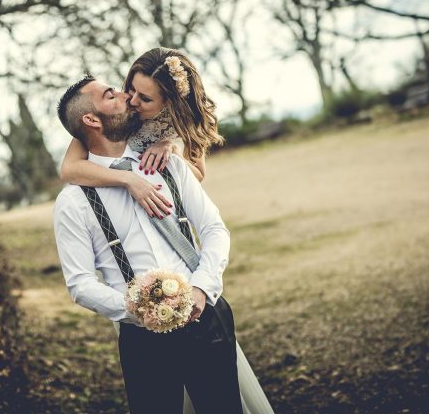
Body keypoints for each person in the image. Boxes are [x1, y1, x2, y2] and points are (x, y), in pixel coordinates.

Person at [53, 70, 275, 413]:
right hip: (142, 340)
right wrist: (137, 310)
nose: (126, 96)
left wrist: (202, 288)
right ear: (91, 120)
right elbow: (80, 284)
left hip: (207, 320)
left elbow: (214, 230)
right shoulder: (73, 202)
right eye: (111, 95)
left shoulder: (169, 164)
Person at [59, 47, 224, 219]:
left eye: (145, 98)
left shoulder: (186, 122)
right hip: (110, 203)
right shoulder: (113, 118)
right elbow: (69, 169)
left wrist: (172, 150)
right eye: (131, 88)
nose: (133, 100)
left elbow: (198, 175)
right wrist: (129, 180)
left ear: (169, 102)